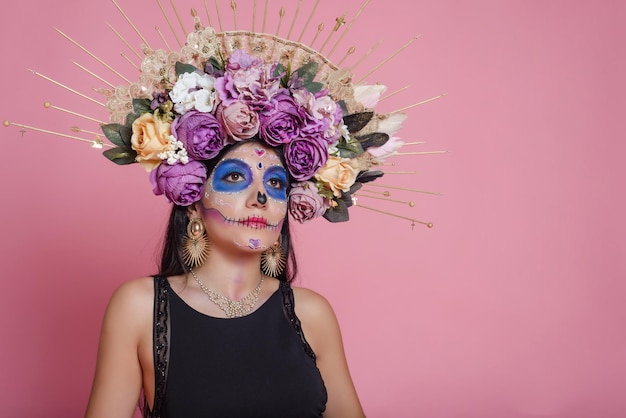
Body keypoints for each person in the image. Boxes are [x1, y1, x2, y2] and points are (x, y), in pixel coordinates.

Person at [85, 140, 365, 417]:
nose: (261, 197)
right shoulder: (139, 306)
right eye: (235, 176)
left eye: (276, 183)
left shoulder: (311, 312)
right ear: (194, 203)